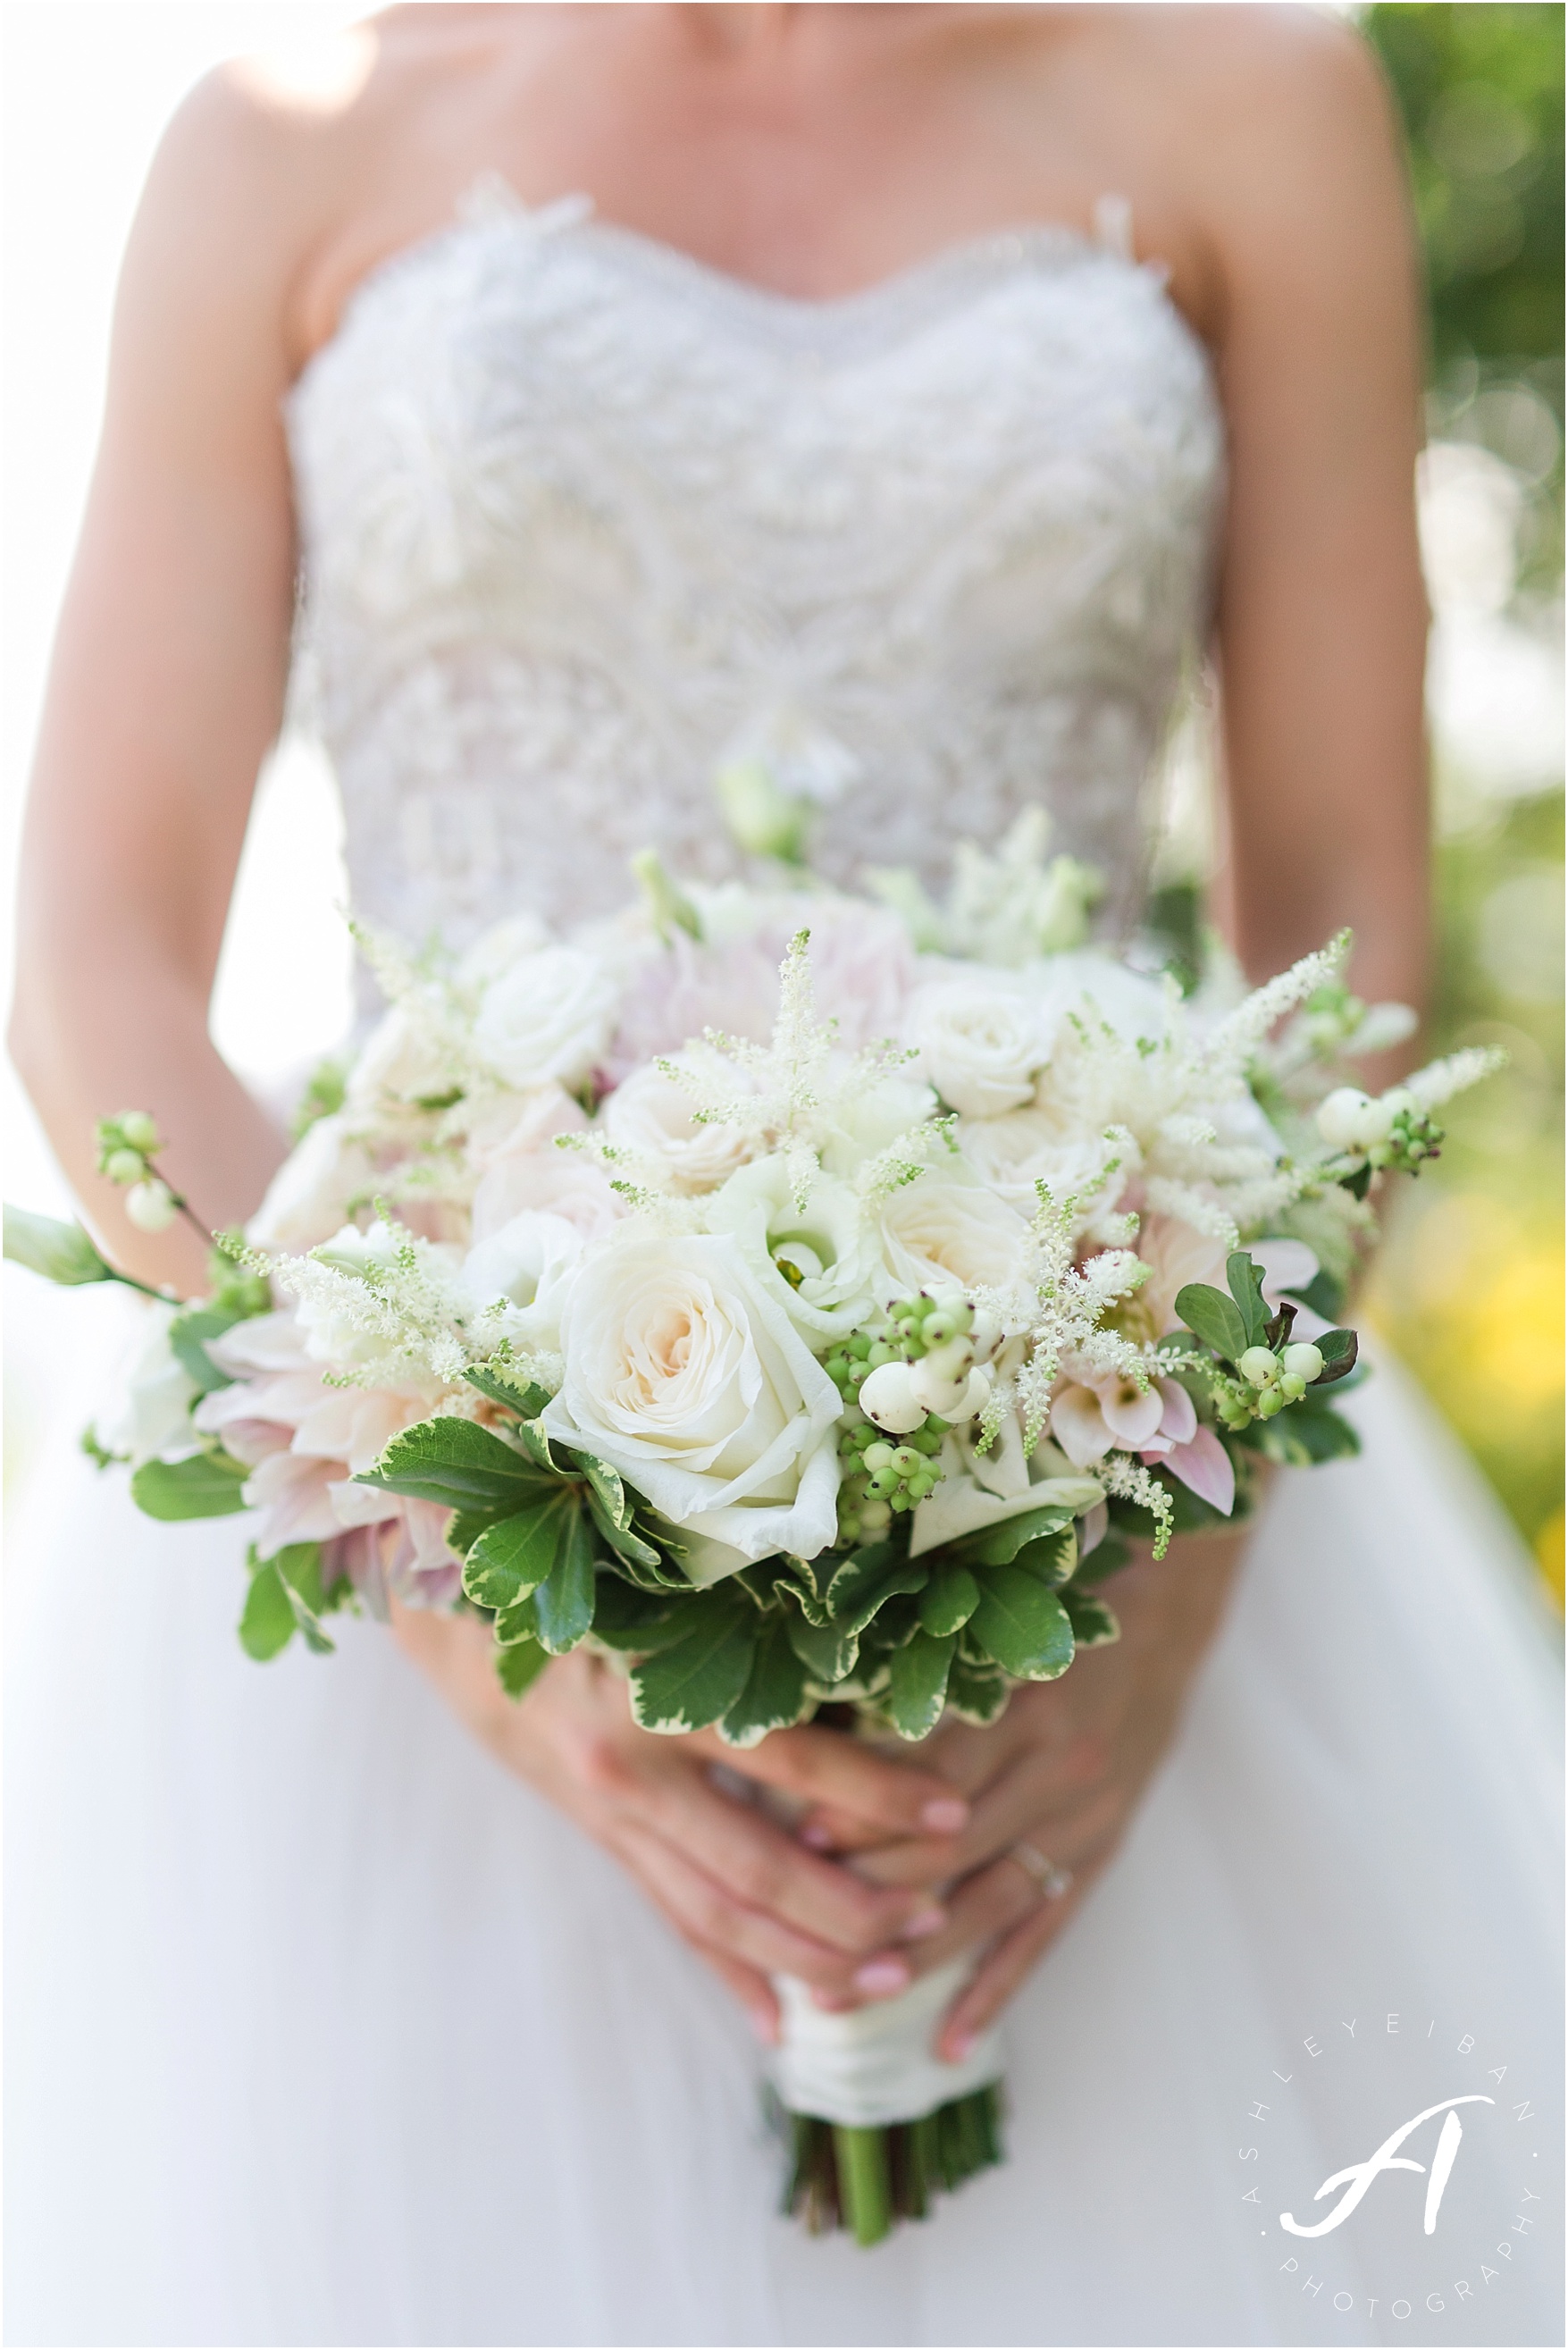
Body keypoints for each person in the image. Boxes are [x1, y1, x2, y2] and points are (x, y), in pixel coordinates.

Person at [6, 8, 1560, 2345]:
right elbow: (99, 951)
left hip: (1105, 1485)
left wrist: (1167, 1592)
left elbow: (1333, 914)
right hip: (399, 1583)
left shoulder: (1256, 96)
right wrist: (440, 1567)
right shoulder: (285, 146)